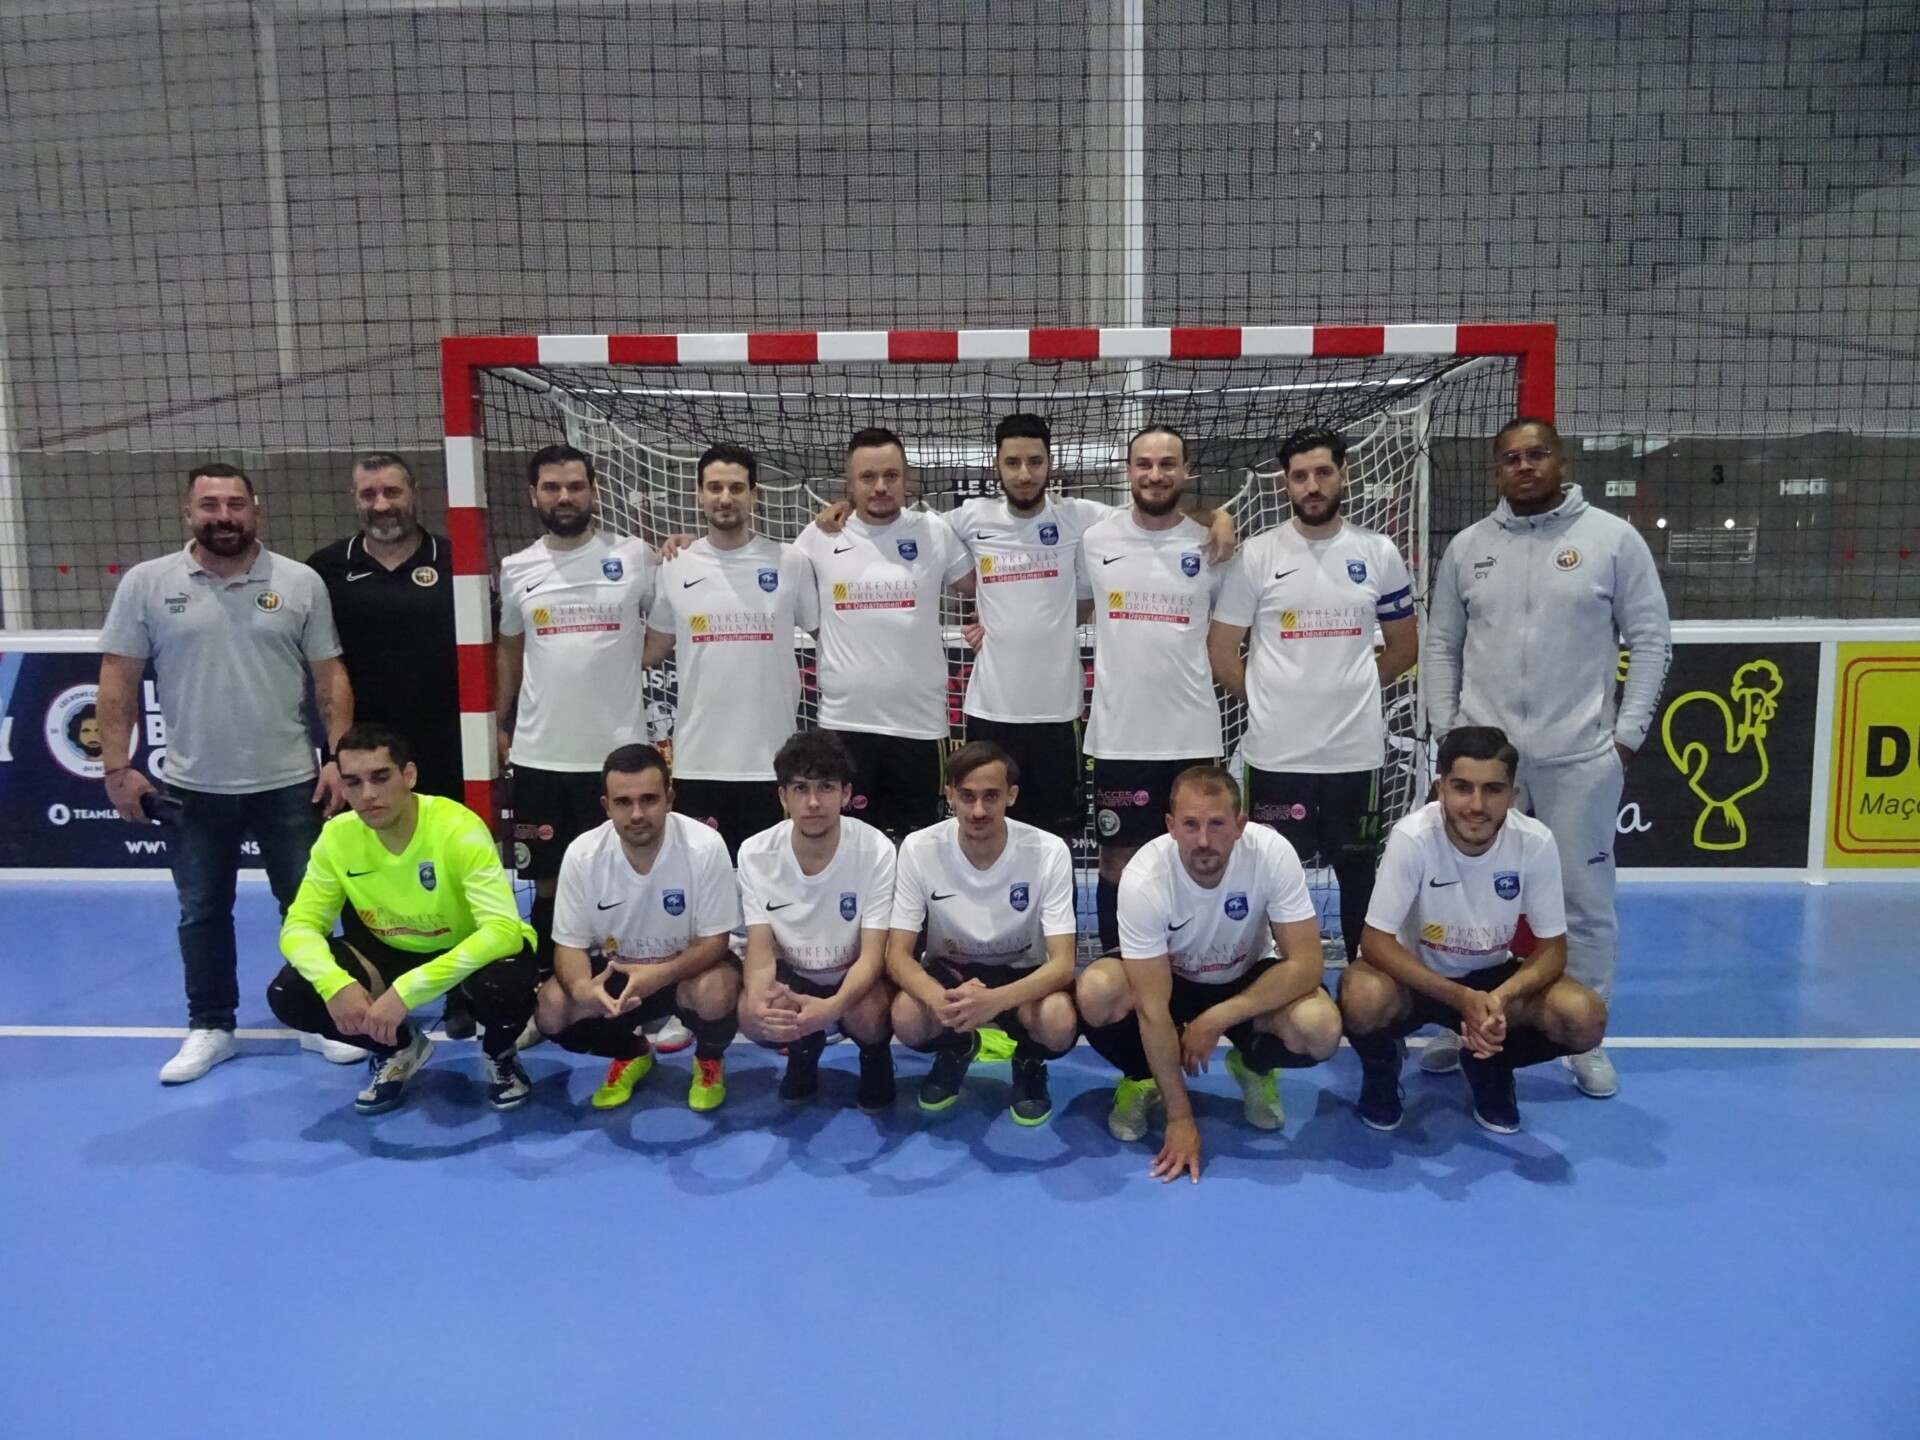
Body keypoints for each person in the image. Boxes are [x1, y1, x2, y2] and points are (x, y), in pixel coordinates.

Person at [815, 412, 1236, 843]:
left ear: (1050, 464)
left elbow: (1153, 510)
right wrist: (848, 509)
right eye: (1012, 462)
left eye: (1035, 462)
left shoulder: (1082, 518)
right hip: (988, 712)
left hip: (1058, 715)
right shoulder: (967, 520)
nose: (1024, 473)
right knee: (982, 835)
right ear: (997, 467)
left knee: (1055, 841)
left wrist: (1215, 516)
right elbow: (896, 528)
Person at [1421, 418, 1670, 1098]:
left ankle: (1579, 1039)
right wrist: (1450, 736)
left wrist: (1626, 735)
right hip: (1483, 765)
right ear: (1496, 470)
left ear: (1561, 459)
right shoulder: (1469, 548)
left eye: (1536, 455)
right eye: (1509, 459)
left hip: (1578, 759)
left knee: (1584, 902)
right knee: (1464, 898)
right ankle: (1457, 1020)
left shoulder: (1613, 541)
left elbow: (1650, 639)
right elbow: (1441, 643)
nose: (1523, 467)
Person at [97, 462, 354, 1084]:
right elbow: (118, 679)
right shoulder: (146, 584)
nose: (223, 515)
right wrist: (116, 766)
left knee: (308, 908)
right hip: (190, 785)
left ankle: (318, 1017)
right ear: (189, 513)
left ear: (255, 509)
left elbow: (330, 679)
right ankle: (211, 1026)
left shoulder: (298, 583)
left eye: (235, 503)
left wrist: (340, 761)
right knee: (202, 910)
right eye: (209, 505)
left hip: (290, 779)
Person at [496, 444, 690, 1050]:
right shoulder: (516, 568)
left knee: (635, 881)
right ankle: (550, 997)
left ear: (593, 490)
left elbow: (660, 637)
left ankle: (650, 1001)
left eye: (575, 486)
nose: (564, 497)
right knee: (550, 888)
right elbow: (510, 648)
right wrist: (501, 723)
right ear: (534, 495)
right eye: (551, 487)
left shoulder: (633, 558)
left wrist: (610, 672)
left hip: (617, 762)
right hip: (539, 756)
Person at [1209, 426, 1417, 962]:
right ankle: (1273, 995)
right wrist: (1266, 701)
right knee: (1272, 881)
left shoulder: (1378, 552)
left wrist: (1355, 694)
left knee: (1359, 879)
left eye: (1323, 472)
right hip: (1276, 757)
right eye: (1300, 476)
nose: (1313, 485)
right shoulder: (1256, 555)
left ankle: (1364, 993)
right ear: (1286, 485)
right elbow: (1221, 648)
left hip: (1357, 755)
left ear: (1344, 474)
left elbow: (1402, 646)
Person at [1075, 765, 1340, 1182]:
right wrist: (1181, 1119)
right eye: (1190, 824)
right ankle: (1143, 1078)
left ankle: (1252, 1065)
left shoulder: (1271, 853)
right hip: (1172, 978)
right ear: (1170, 826)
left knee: (1320, 1028)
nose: (1203, 840)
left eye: (1217, 824)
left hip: (1247, 976)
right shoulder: (1144, 877)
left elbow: (1307, 964)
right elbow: (1151, 1008)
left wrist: (1217, 1018)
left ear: (1240, 825)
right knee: (1096, 992)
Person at [1339, 726, 1610, 1134]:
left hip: (1489, 982)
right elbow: (1374, 941)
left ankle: (1491, 1065)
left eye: (1493, 790)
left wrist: (1498, 999)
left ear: (1513, 796)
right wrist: (1459, 997)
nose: (1477, 805)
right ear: (1440, 788)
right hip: (1416, 979)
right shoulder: (1412, 837)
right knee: (1361, 994)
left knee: (1585, 1017)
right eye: (1462, 787)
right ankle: (1381, 1070)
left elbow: (1553, 949)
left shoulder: (1534, 842)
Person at [266, 724, 540, 1113]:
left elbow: (503, 930)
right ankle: (399, 1048)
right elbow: (300, 927)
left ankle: (499, 1055)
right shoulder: (336, 837)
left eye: (381, 777)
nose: (369, 794)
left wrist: (408, 991)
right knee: (291, 993)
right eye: (354, 783)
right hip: (390, 950)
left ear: (408, 775)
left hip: (468, 949)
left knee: (506, 982)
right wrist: (334, 984)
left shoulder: (457, 827)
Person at [307, 451, 472, 1040]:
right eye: (369, 494)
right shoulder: (325, 568)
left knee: (449, 871)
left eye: (392, 492)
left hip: (448, 748)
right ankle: (372, 986)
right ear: (355, 499)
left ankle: (460, 991)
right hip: (365, 759)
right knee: (366, 869)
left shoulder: (460, 560)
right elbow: (325, 669)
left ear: (415, 492)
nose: (382, 505)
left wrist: (494, 730)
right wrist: (334, 756)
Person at [1080, 424, 1236, 955]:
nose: (1154, 474)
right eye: (1143, 464)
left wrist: (1220, 516)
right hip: (1119, 738)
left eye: (1167, 464)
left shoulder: (1210, 546)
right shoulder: (1095, 536)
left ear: (1185, 471)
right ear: (1127, 472)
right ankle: (1116, 969)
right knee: (1117, 862)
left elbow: (1237, 630)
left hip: (1192, 736)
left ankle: (1197, 966)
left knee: (1200, 857)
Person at [534, 744, 743, 1111]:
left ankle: (709, 1058)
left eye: (649, 799)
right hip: (619, 977)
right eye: (623, 802)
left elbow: (715, 942)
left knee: (718, 989)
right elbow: (568, 946)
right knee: (552, 1008)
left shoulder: (705, 846)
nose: (637, 813)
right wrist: (584, 989)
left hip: (686, 970)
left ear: (670, 798)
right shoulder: (582, 854)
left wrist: (659, 975)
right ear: (606, 806)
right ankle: (632, 1053)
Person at [788, 427, 973, 841]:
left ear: (907, 479)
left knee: (920, 853)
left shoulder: (933, 531)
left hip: (920, 728)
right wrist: (690, 545)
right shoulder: (819, 536)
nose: (880, 486)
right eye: (868, 477)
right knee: (848, 851)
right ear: (848, 483)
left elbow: (986, 588)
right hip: (845, 725)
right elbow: (770, 579)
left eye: (891, 475)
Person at [885, 741, 1078, 1124]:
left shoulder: (1049, 850)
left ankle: (1030, 1060)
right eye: (967, 796)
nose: (978, 810)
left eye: (991, 796)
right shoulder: (918, 848)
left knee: (1058, 1021)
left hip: (1024, 975)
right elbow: (897, 955)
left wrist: (995, 1001)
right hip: (952, 974)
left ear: (1012, 795)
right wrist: (938, 1000)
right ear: (950, 795)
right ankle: (956, 1047)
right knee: (907, 1016)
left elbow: (1064, 966)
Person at [643, 443, 814, 860]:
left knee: (771, 891)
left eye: (736, 487)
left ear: (754, 494)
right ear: (699, 494)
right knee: (705, 891)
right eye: (714, 487)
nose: (725, 497)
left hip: (772, 764)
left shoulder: (790, 562)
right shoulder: (675, 563)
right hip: (698, 764)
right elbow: (651, 649)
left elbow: (834, 635)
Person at [735, 730, 898, 1111]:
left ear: (845, 794)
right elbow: (759, 949)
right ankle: (803, 1049)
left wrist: (834, 1005)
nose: (812, 802)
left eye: (825, 787)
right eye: (800, 788)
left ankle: (874, 1057)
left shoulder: (876, 850)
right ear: (782, 797)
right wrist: (760, 998)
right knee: (750, 1012)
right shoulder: (755, 853)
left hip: (855, 978)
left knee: (870, 1012)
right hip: (795, 977)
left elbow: (874, 955)